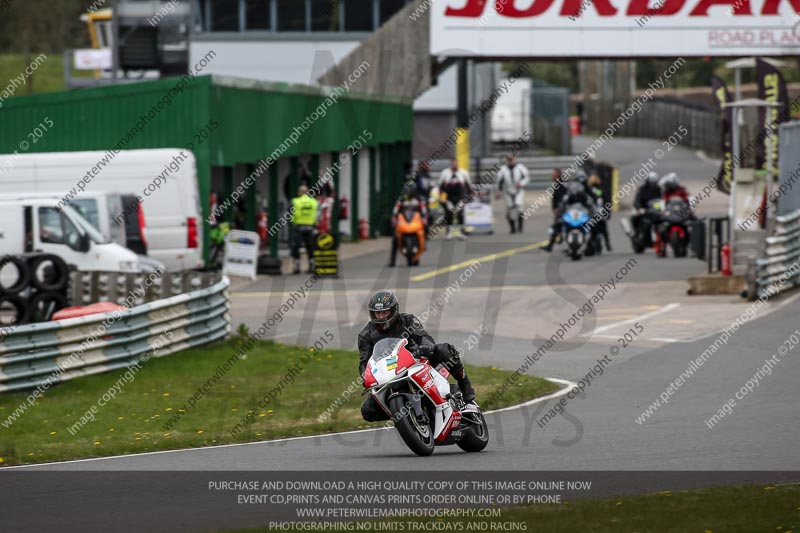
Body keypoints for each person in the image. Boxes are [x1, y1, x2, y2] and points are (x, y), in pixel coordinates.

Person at [358, 290, 476, 422]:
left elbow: (424, 337)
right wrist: (365, 376)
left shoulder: (408, 320)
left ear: (394, 310)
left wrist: (425, 347)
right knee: (367, 411)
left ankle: (467, 393)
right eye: (377, 313)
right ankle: (405, 417)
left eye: (385, 312)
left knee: (444, 349)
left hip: (416, 361)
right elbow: (365, 362)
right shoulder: (365, 335)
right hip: (389, 374)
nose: (381, 317)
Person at [388, 182, 428, 267]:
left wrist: (424, 218)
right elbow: (396, 208)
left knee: (426, 227)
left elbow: (424, 209)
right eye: (407, 190)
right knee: (395, 237)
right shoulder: (401, 199)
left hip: (416, 220)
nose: (408, 192)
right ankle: (392, 259)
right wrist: (394, 217)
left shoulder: (419, 198)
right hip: (404, 221)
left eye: (410, 190)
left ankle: (424, 242)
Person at [438, 158, 473, 240]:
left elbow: (469, 186)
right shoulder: (445, 173)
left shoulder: (463, 173)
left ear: (458, 164)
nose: (455, 165)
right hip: (448, 198)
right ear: (451, 164)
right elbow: (440, 186)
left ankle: (461, 233)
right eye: (453, 164)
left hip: (460, 198)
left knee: (460, 215)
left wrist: (469, 196)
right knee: (449, 214)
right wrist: (441, 197)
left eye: (456, 163)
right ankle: (449, 233)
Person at [496, 154, 530, 234]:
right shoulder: (503, 170)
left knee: (519, 207)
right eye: (509, 159)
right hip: (508, 191)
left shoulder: (520, 167)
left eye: (512, 159)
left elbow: (527, 177)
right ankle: (512, 228)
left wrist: (521, 183)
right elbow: (499, 182)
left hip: (518, 190)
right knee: (509, 209)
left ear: (515, 159)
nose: (510, 161)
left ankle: (520, 227)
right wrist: (498, 191)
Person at [289, 185, 319, 274]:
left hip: (298, 227)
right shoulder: (314, 202)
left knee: (296, 247)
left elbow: (289, 214)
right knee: (310, 246)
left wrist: (291, 224)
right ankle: (312, 265)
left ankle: (296, 266)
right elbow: (318, 215)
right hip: (310, 227)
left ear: (299, 192)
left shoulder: (295, 201)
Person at [543, 169, 567, 252]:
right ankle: (551, 245)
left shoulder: (563, 185)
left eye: (554, 174)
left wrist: (557, 208)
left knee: (559, 227)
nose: (552, 176)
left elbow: (561, 198)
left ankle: (555, 243)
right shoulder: (556, 184)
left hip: (564, 210)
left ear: (558, 175)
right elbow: (555, 198)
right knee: (556, 227)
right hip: (559, 210)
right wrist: (554, 208)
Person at [587, 174, 611, 252]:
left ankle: (606, 243)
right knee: (604, 229)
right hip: (599, 212)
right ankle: (607, 243)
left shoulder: (590, 190)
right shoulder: (600, 189)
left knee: (594, 228)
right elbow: (606, 201)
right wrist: (607, 213)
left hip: (594, 213)